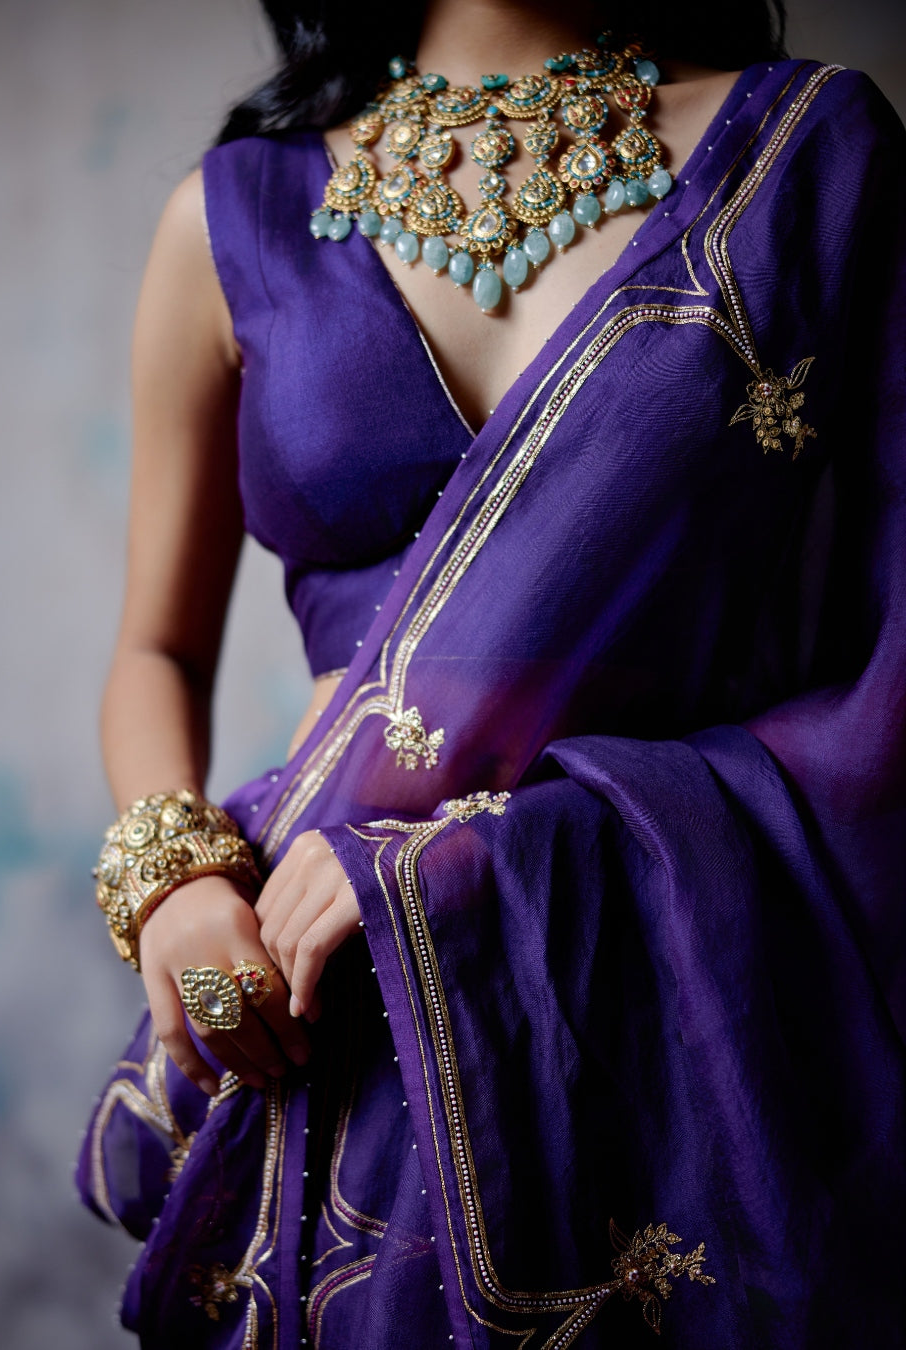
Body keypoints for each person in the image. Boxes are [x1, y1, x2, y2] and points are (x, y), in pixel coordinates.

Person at [76, 1, 906, 1345]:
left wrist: (488, 858)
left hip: (678, 1025)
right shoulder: (232, 216)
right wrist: (172, 882)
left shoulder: (804, 159)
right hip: (330, 1011)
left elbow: (889, 690)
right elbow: (155, 647)